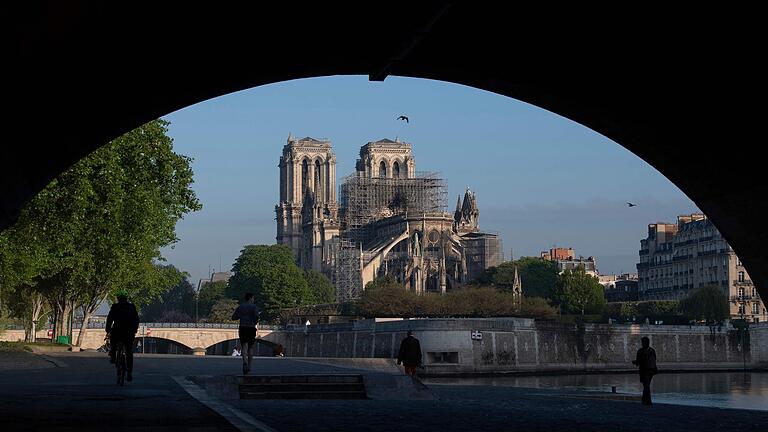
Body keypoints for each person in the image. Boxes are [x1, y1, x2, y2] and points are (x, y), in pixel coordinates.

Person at [105, 290, 140, 382]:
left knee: (113, 341)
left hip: (117, 331)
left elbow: (109, 319)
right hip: (129, 332)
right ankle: (129, 372)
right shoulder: (132, 307)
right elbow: (136, 319)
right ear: (126, 298)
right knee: (129, 351)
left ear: (118, 299)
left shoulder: (115, 307)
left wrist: (108, 329)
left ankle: (113, 355)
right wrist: (135, 329)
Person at [231, 292, 260, 374]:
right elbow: (256, 317)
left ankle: (244, 362)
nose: (254, 300)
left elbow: (233, 317)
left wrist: (242, 316)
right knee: (250, 347)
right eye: (253, 298)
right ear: (250, 298)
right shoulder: (254, 307)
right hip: (251, 328)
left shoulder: (241, 307)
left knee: (244, 346)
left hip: (243, 327)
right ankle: (249, 366)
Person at [632, 336, 658, 405]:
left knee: (646, 385)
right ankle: (646, 400)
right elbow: (654, 360)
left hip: (645, 370)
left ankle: (646, 400)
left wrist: (635, 362)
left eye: (643, 342)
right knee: (647, 385)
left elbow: (639, 361)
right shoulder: (652, 350)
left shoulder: (641, 351)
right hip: (650, 370)